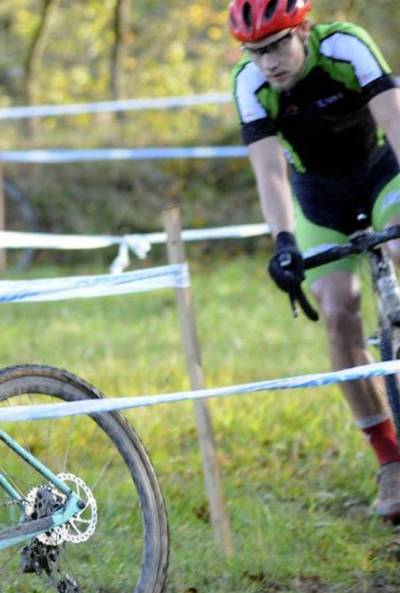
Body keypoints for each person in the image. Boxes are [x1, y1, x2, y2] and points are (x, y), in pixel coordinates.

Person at [229, 0, 400, 519]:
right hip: (319, 196)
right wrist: (283, 242)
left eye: (278, 45)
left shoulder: (344, 46)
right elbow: (270, 174)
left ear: (303, 31)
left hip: (381, 173)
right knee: (336, 308)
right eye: (256, 52)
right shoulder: (250, 85)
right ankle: (389, 461)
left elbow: (394, 118)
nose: (269, 62)